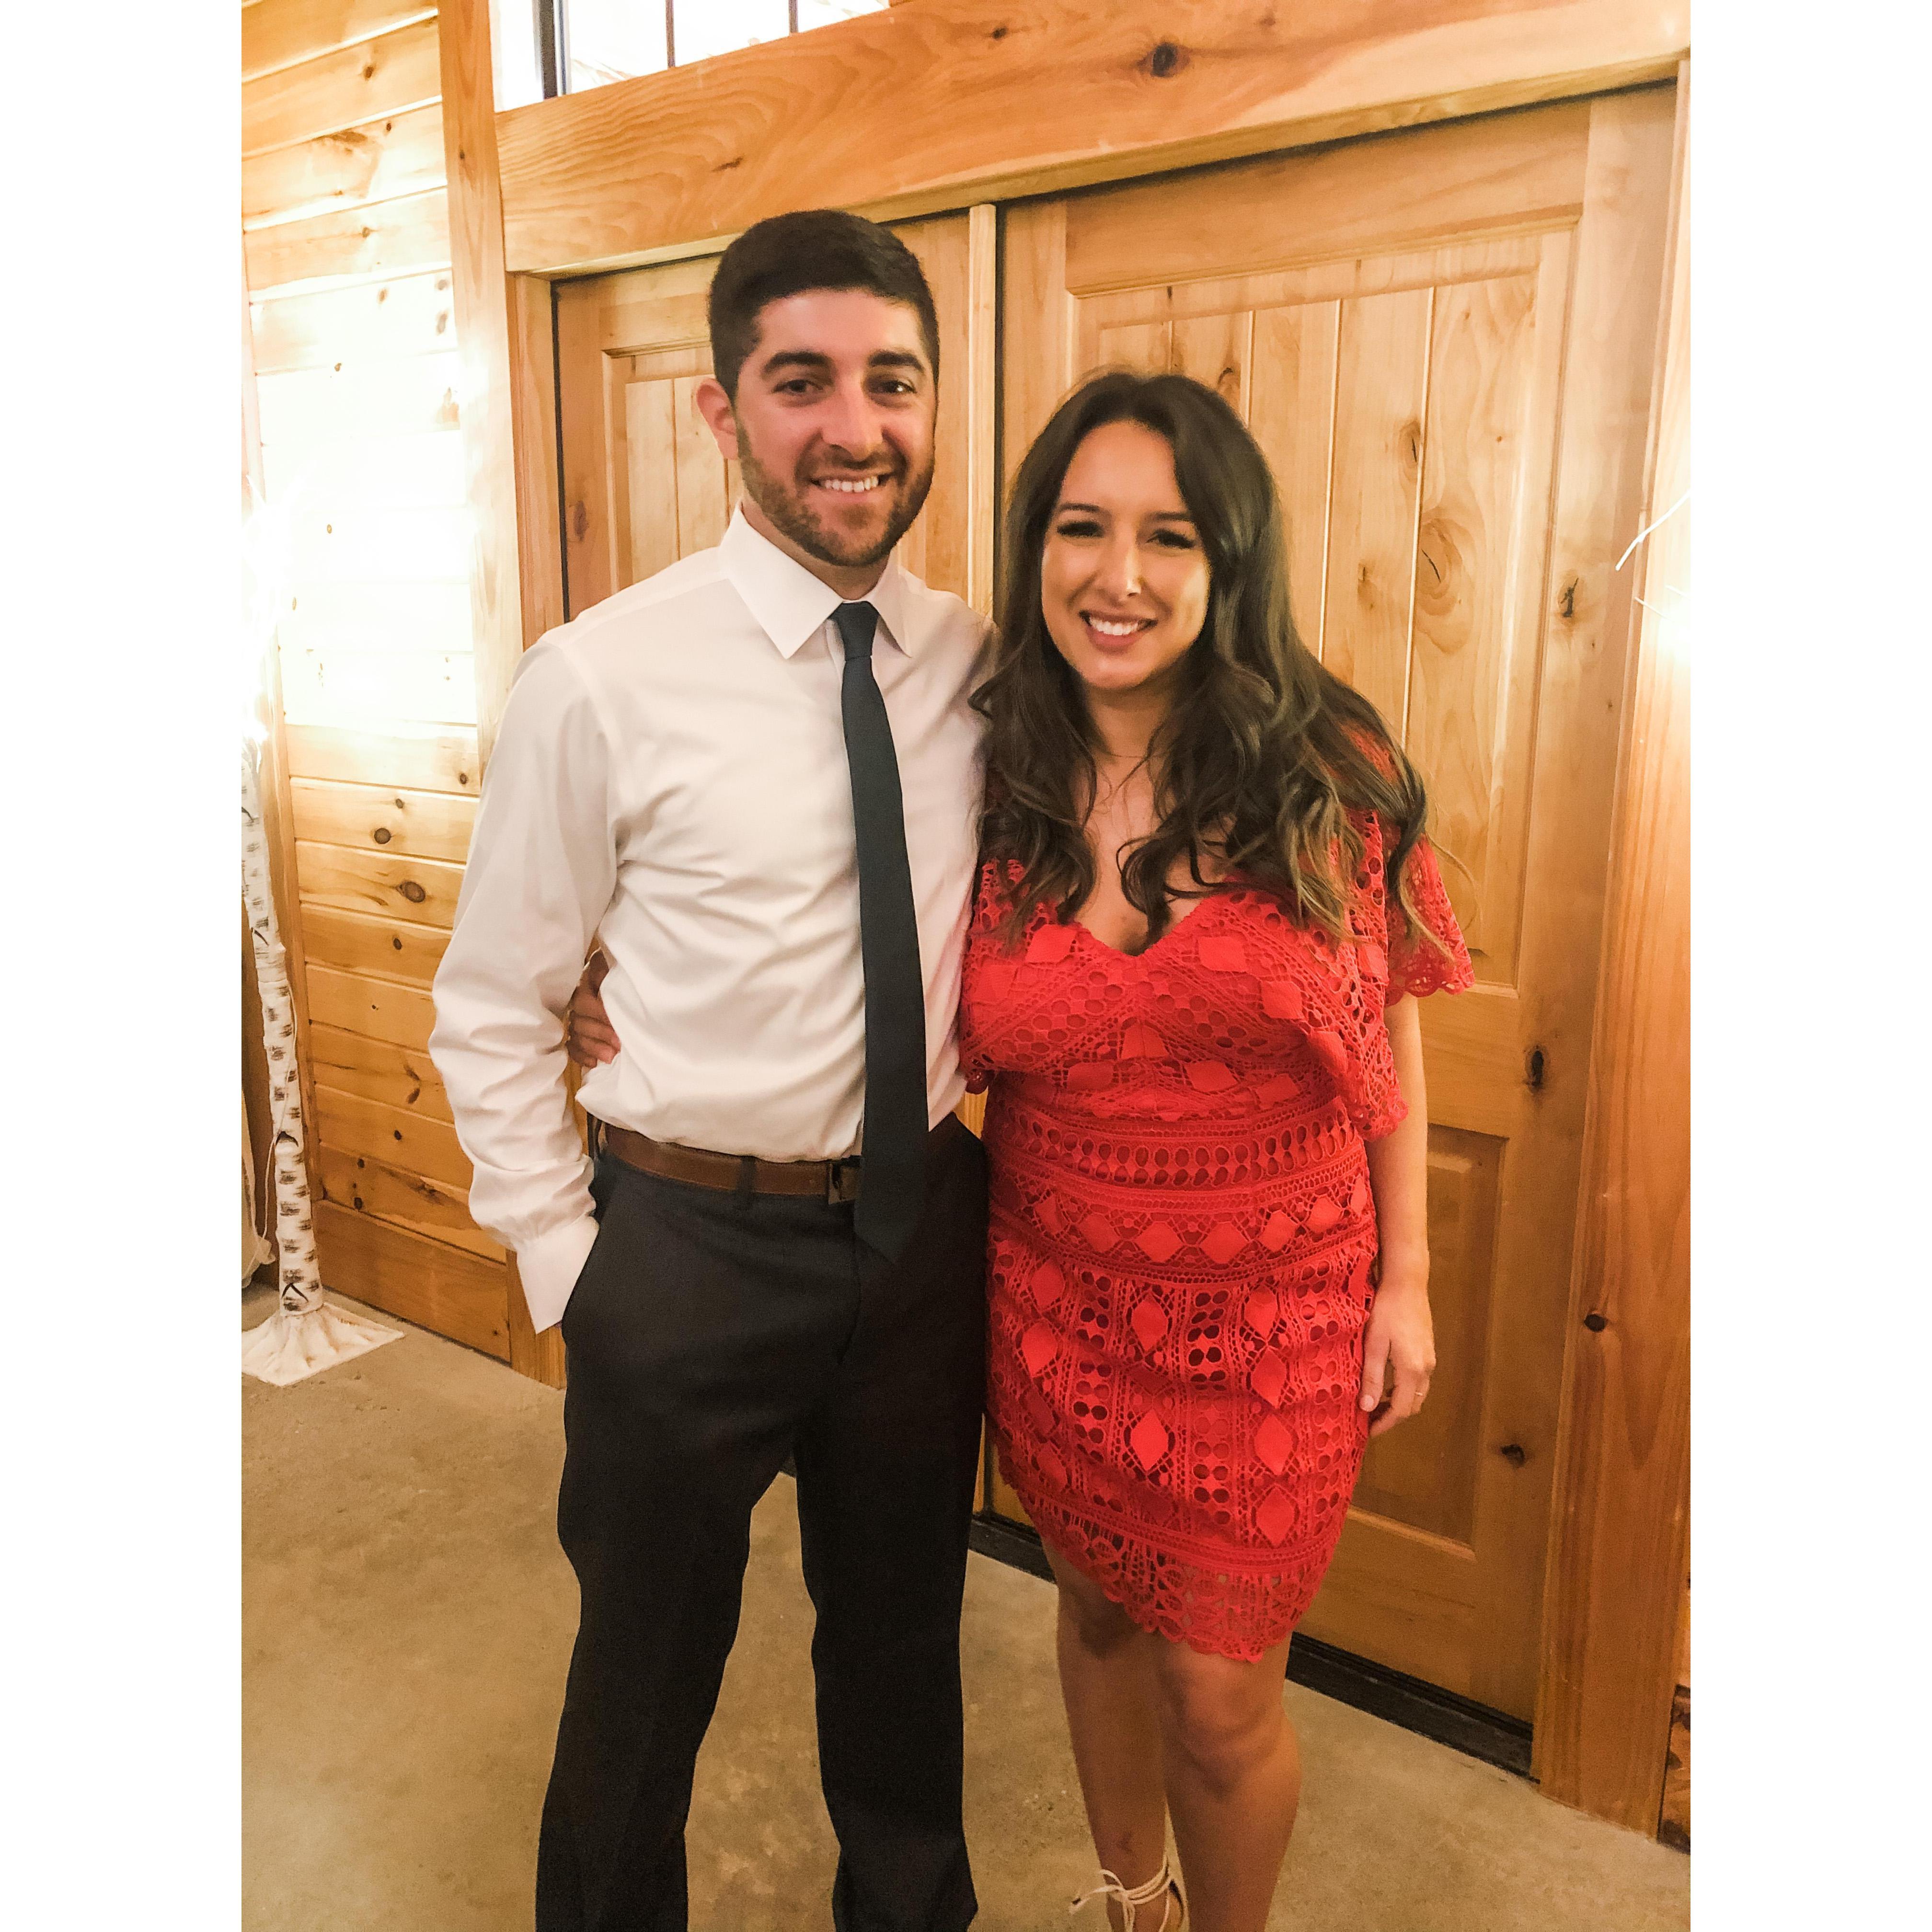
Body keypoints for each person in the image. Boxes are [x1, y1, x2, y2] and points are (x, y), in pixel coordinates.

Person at [571, 368, 1472, 1932]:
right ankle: (1132, 1904)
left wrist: (1412, 1278)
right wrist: (625, 984)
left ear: (1231, 560)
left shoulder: (1328, 765)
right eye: (1081, 528)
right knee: (1100, 1619)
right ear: (1036, 544)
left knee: (1221, 1699)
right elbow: (812, 886)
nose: (1120, 576)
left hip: (1273, 1320)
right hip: (1057, 1299)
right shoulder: (991, 761)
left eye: (1170, 537)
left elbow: (1387, 1004)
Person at [430, 209, 992, 1932]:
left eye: (892, 381)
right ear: (719, 409)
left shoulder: (981, 666)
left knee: (905, 1663)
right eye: (801, 380)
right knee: (643, 1681)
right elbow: (497, 999)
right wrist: (571, 1266)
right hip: (681, 1250)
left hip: (921, 1237)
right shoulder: (600, 678)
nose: (854, 426)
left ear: (932, 404)